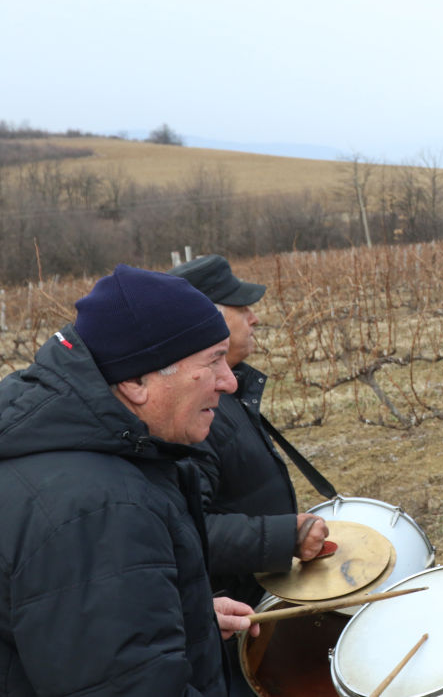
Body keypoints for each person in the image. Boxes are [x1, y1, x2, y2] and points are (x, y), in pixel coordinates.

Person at [0, 264, 256, 695]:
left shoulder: (72, 453)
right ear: (138, 380)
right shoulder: (100, 509)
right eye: (213, 360)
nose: (229, 381)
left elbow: (79, 629)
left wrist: (181, 614)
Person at [170, 253, 329, 694]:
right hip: (233, 629)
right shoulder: (194, 413)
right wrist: (285, 537)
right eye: (242, 309)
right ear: (209, 318)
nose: (254, 317)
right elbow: (187, 532)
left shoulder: (226, 391)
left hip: (253, 603)